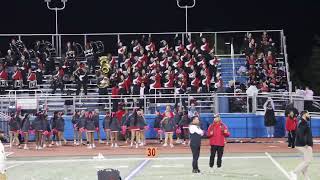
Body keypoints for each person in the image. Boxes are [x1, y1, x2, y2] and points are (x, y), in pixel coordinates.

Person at [289, 111, 313, 180]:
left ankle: (306, 178)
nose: (309, 115)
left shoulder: (303, 122)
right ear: (304, 114)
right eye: (308, 114)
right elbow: (300, 134)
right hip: (303, 145)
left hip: (305, 145)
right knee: (307, 161)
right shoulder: (302, 122)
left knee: (306, 161)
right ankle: (294, 172)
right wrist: (305, 144)